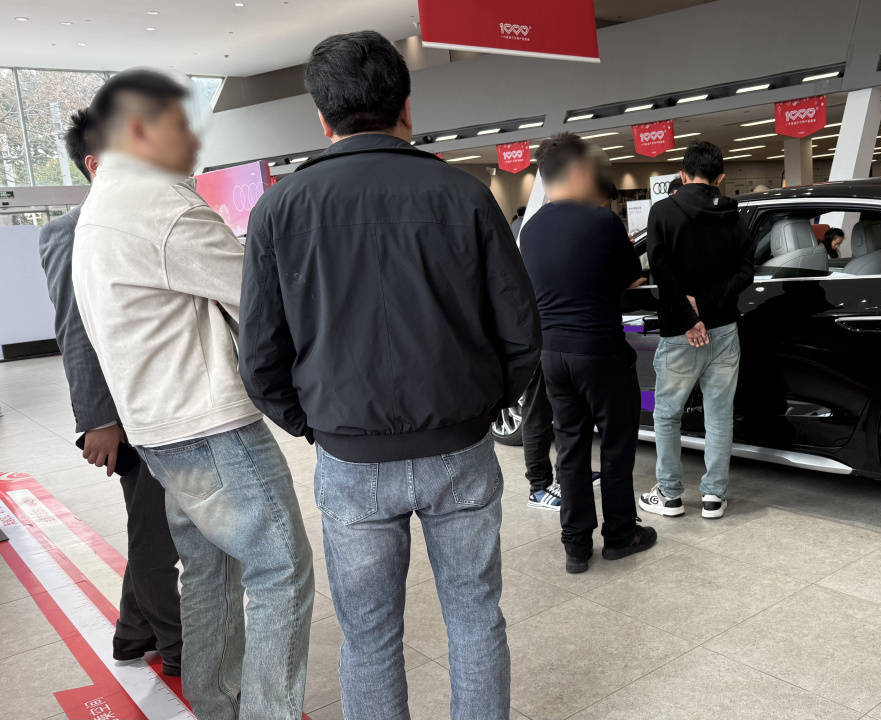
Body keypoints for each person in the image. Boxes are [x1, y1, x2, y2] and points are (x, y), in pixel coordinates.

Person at [239, 31, 540, 720]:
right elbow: (522, 330)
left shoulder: (279, 208)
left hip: (350, 456)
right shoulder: (464, 195)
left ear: (322, 118)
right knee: (476, 617)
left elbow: (258, 355)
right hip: (460, 447)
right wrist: (483, 404)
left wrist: (313, 423)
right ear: (406, 108)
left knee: (369, 638)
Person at [72, 69, 313, 720]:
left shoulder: (99, 208)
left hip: (157, 429)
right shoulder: (160, 204)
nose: (191, 141)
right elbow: (260, 298)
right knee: (280, 569)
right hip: (209, 424)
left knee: (209, 570)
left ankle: (215, 704)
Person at [38, 108, 183, 676]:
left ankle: (132, 633)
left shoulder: (142, 219)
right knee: (157, 536)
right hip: (126, 415)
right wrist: (98, 419)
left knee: (155, 526)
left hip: (167, 402)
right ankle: (177, 647)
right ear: (96, 164)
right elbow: (73, 329)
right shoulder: (68, 231)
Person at [520, 133, 656, 574]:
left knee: (571, 448)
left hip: (552, 354)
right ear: (579, 171)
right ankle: (619, 535)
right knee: (616, 445)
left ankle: (576, 546)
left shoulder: (530, 230)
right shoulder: (603, 222)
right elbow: (632, 280)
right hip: (599, 350)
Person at [639, 140, 753, 520]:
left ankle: (670, 495)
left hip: (679, 331)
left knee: (667, 414)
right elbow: (746, 273)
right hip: (725, 329)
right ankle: (713, 497)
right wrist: (709, 303)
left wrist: (690, 317)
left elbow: (661, 273)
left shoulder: (662, 212)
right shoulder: (734, 215)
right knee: (719, 415)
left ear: (683, 174)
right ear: (720, 178)